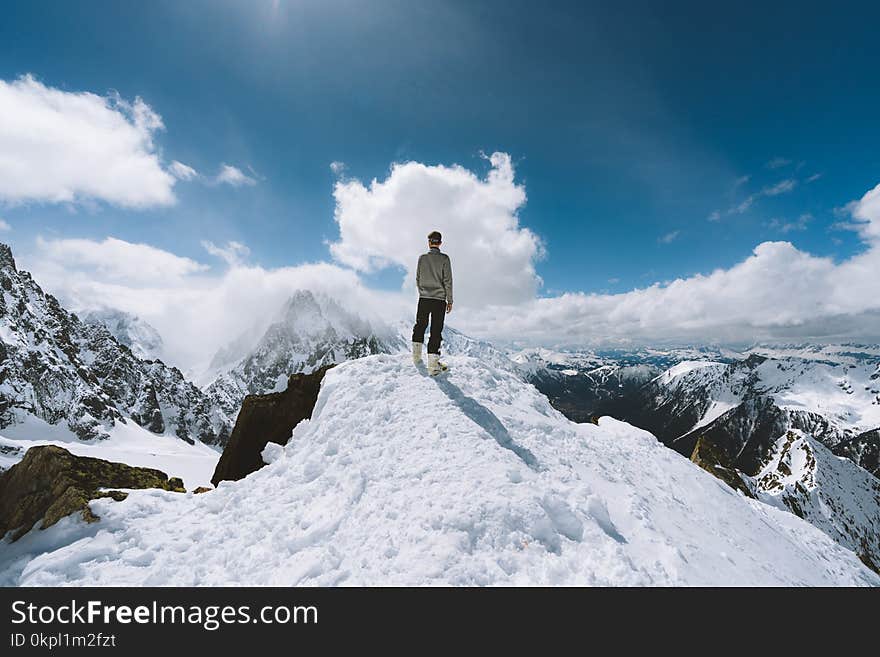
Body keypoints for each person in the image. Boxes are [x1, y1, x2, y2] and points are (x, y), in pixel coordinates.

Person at [412, 230, 453, 375]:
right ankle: (433, 366)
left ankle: (416, 358)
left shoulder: (422, 258)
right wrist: (450, 300)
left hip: (424, 298)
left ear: (429, 242)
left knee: (420, 325)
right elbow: (448, 281)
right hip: (439, 300)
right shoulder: (445, 259)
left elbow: (418, 278)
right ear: (440, 243)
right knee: (436, 330)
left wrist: (423, 292)